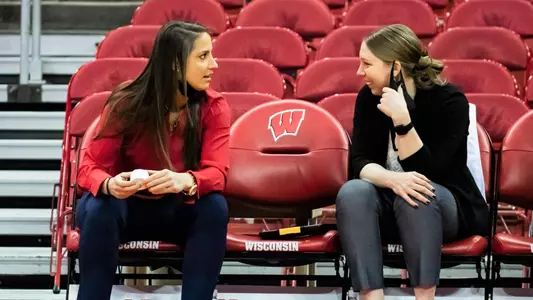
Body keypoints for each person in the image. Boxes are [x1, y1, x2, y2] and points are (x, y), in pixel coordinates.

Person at [75, 21, 230, 300]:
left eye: (211, 54)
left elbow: (218, 173)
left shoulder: (214, 106)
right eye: (203, 56)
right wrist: (110, 185)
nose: (214, 65)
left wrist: (185, 180)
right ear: (174, 63)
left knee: (214, 207)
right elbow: (87, 170)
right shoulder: (127, 102)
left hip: (175, 208)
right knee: (99, 207)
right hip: (124, 209)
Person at [336, 24, 489, 300]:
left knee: (416, 193)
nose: (360, 73)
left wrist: (402, 121)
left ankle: (424, 297)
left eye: (367, 64)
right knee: (353, 191)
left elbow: (433, 171)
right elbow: (359, 163)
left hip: (445, 207)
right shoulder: (368, 99)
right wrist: (394, 180)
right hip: (390, 203)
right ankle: (372, 297)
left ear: (395, 68)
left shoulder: (450, 102)